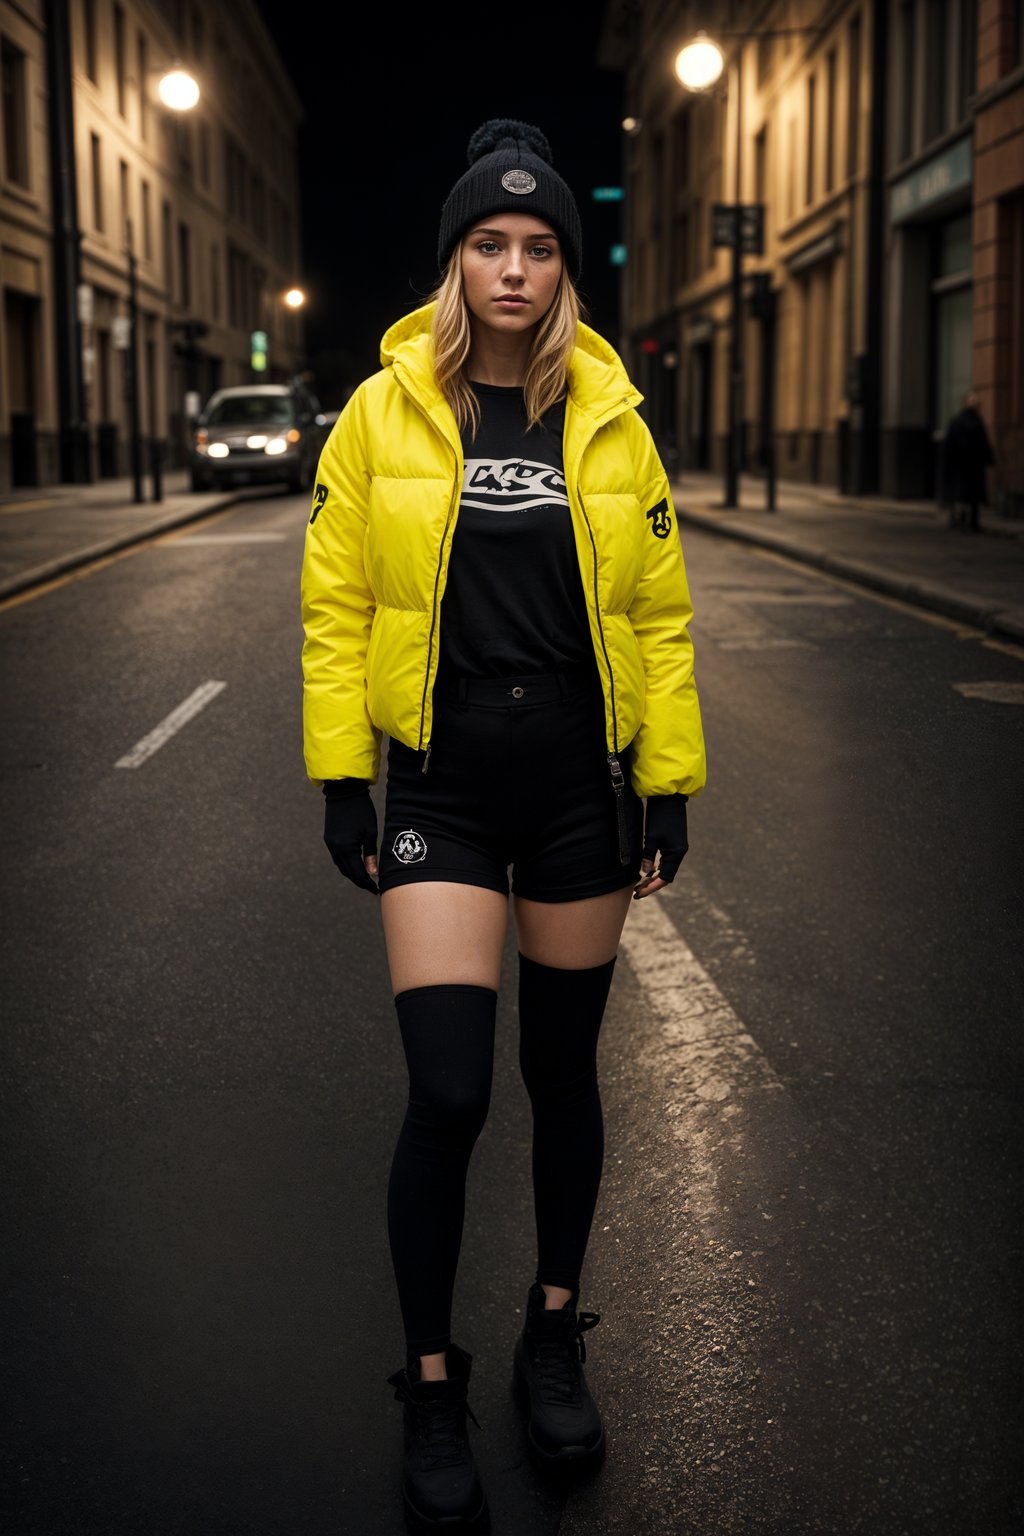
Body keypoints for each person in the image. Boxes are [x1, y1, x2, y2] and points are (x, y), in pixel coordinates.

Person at [300, 118, 706, 1528]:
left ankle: (550, 1329)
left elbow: (655, 617)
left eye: (539, 247)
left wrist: (670, 777)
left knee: (565, 1076)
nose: (516, 268)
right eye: (491, 244)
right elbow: (339, 605)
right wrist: (343, 776)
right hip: (449, 786)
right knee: (453, 1091)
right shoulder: (383, 411)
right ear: (455, 261)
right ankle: (429, 1381)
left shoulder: (611, 416)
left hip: (579, 787)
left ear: (563, 269)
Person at [939, 391, 995, 531]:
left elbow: (949, 446)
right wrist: (989, 459)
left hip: (962, 464)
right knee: (970, 494)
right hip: (971, 464)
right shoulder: (975, 422)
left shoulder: (958, 421)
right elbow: (983, 443)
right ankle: (970, 521)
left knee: (962, 493)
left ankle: (960, 518)